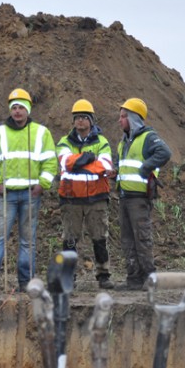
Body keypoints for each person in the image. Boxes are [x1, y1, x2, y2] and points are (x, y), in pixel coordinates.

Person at [0, 88, 58, 293]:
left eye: (21, 107)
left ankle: (26, 283)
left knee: (28, 241)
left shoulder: (41, 133)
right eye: (14, 107)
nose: (17, 111)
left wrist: (42, 184)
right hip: (6, 194)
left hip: (30, 194)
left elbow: (51, 162)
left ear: (28, 109)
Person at [56, 99, 115, 289]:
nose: (80, 121)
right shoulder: (64, 142)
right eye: (77, 118)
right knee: (70, 239)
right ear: (73, 122)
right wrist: (89, 159)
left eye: (84, 118)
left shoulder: (102, 141)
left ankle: (103, 274)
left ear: (91, 120)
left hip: (96, 199)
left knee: (99, 237)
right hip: (71, 199)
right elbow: (65, 162)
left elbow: (105, 164)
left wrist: (79, 162)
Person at [113, 97, 171, 290]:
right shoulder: (124, 142)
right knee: (128, 240)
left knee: (142, 238)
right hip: (124, 197)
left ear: (134, 118)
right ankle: (134, 279)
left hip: (138, 199)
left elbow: (164, 153)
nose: (120, 120)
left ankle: (149, 279)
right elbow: (123, 165)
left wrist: (146, 168)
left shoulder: (148, 137)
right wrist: (115, 173)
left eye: (123, 116)